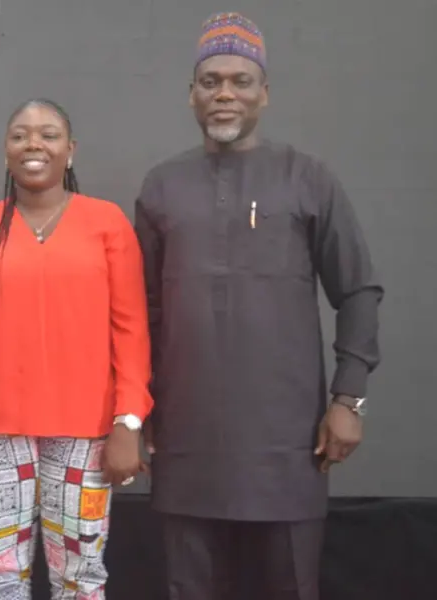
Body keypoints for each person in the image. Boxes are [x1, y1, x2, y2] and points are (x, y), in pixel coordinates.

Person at [132, 13, 384, 600]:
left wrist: (348, 398)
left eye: (240, 81)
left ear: (264, 93)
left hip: (288, 442)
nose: (225, 94)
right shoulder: (162, 186)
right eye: (211, 81)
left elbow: (358, 291)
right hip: (185, 438)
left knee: (289, 587)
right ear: (191, 94)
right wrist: (136, 411)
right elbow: (142, 310)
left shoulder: (307, 179)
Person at [0, 98, 154, 599]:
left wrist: (129, 421)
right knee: (1, 573)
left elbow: (131, 332)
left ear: (70, 151)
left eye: (49, 134)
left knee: (81, 576)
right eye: (20, 135)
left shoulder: (106, 223)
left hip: (87, 432)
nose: (34, 144)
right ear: (6, 151)